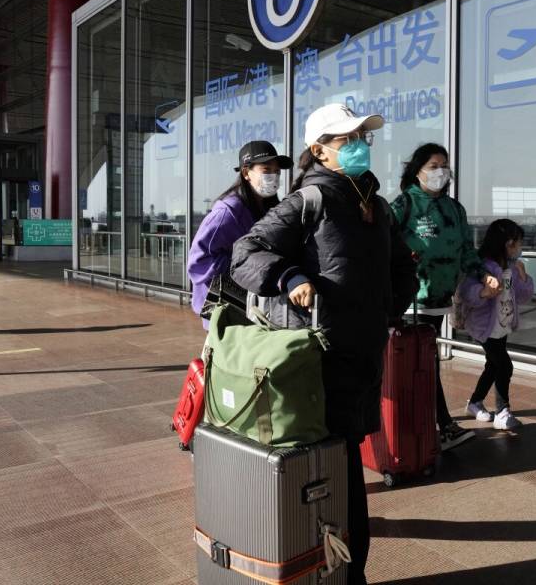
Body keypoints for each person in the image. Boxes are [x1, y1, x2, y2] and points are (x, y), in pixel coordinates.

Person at [230, 103, 416, 585]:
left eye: (362, 136)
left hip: (362, 355)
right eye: (347, 138)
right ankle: (336, 573)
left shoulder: (376, 204)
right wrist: (289, 275)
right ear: (320, 151)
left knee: (345, 461)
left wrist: (388, 308)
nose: (359, 145)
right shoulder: (309, 199)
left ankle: (343, 571)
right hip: (320, 360)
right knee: (334, 467)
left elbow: (400, 265)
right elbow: (245, 253)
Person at [391, 142, 500, 451]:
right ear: (417, 170)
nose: (441, 171)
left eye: (444, 165)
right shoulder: (404, 205)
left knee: (425, 363)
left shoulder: (454, 209)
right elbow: (382, 244)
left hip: (440, 300)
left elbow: (466, 251)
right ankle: (442, 425)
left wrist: (483, 274)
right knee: (425, 362)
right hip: (412, 299)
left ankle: (429, 424)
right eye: (433, 165)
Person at [186, 140, 291, 328]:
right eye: (266, 170)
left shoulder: (272, 208)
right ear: (246, 173)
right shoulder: (227, 213)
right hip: (227, 311)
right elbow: (198, 261)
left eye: (277, 171)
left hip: (257, 309)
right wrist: (243, 267)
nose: (274, 176)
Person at [459, 219, 534, 430]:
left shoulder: (511, 267)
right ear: (508, 243)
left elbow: (522, 296)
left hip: (502, 326)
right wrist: (483, 292)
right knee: (504, 365)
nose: (520, 248)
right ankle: (503, 411)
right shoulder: (484, 267)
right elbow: (467, 292)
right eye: (518, 243)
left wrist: (523, 277)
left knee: (493, 366)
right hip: (486, 327)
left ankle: (474, 402)